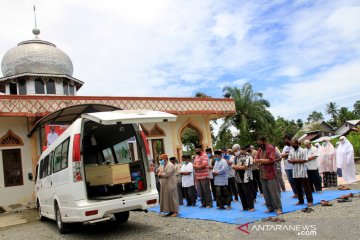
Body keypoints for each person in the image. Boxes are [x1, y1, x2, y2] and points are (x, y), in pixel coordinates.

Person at [255, 137, 282, 215]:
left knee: (274, 192)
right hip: (262, 173)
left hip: (271, 173)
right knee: (266, 193)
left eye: (260, 142)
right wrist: (262, 161)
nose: (259, 143)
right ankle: (270, 208)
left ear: (264, 141)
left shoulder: (270, 148)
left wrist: (260, 161)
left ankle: (278, 208)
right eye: (258, 142)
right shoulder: (260, 149)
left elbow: (271, 159)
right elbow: (255, 159)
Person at [288, 139, 313, 207]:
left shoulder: (303, 150)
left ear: (297, 143)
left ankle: (310, 201)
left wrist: (295, 161)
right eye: (292, 144)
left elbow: (305, 160)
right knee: (298, 187)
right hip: (295, 171)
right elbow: (289, 160)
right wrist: (297, 160)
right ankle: (300, 201)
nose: (293, 146)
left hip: (302, 171)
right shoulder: (291, 151)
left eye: (294, 144)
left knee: (306, 187)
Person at [233, 145, 255, 212]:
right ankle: (244, 207)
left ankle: (251, 207)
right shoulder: (236, 158)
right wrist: (237, 167)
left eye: (237, 150)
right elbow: (233, 166)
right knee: (241, 193)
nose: (235, 152)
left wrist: (237, 167)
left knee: (247, 192)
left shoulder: (248, 157)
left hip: (246, 177)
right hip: (238, 177)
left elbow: (246, 167)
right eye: (234, 151)